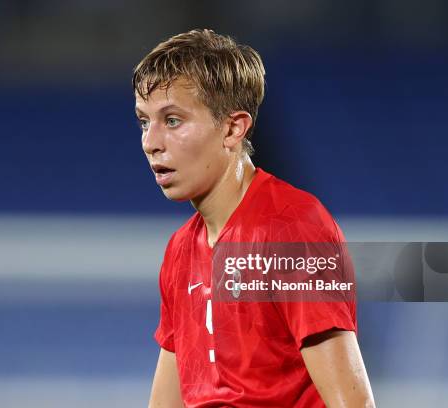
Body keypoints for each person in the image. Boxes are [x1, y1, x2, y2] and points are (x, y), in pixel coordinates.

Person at [133, 29, 375, 407]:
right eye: (145, 122)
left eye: (173, 120)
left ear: (232, 127)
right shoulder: (181, 251)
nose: (151, 142)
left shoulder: (291, 229)